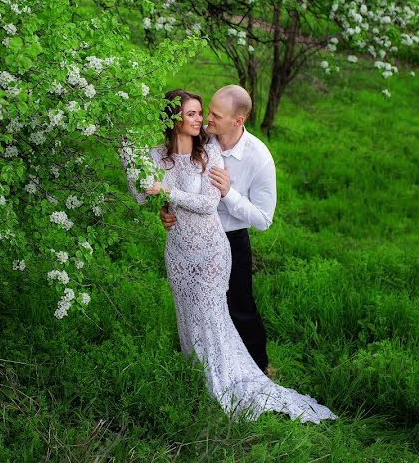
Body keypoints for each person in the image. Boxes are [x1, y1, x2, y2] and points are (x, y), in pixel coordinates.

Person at [124, 88, 336, 423]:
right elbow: (145, 194)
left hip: (224, 239)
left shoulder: (246, 155)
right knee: (190, 313)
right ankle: (198, 370)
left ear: (238, 121)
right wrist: (155, 194)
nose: (205, 120)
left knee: (236, 308)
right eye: (198, 113)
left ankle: (248, 370)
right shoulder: (175, 149)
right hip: (180, 245)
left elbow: (250, 215)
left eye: (210, 115)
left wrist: (221, 192)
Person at [161, 85, 274, 376]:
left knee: (238, 302)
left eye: (216, 115)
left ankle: (258, 366)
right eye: (207, 111)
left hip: (231, 238)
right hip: (190, 236)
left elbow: (263, 219)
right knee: (196, 303)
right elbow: (175, 180)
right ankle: (201, 361)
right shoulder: (202, 138)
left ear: (238, 121)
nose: (207, 119)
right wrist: (165, 211)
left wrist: (229, 194)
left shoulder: (258, 157)